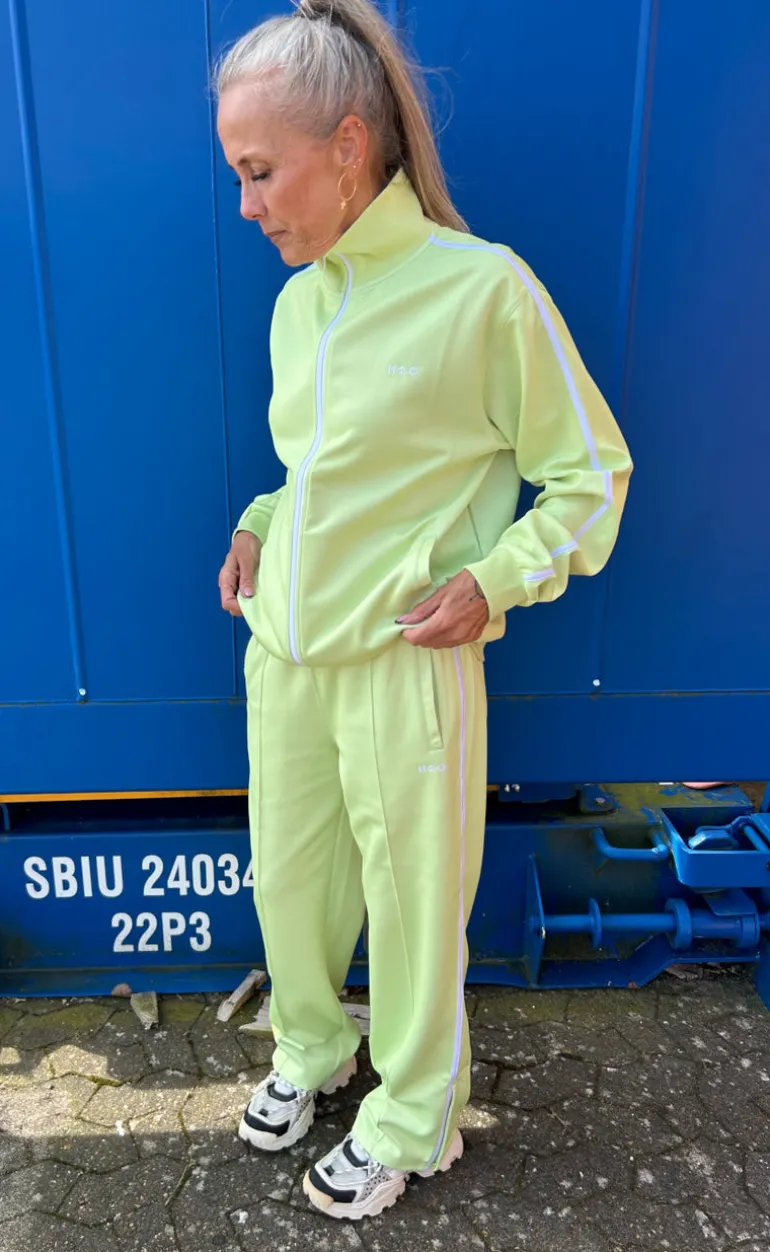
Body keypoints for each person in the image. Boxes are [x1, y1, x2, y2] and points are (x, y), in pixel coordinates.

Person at [215, 0, 632, 1221]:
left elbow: (590, 474)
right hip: (287, 652)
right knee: (291, 883)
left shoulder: (480, 290)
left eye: (260, 171)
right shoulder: (300, 303)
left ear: (347, 146)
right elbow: (318, 472)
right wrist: (258, 519)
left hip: (405, 659)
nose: (246, 205)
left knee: (411, 906)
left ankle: (410, 1114)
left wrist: (495, 579)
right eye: (237, 174)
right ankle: (311, 1045)